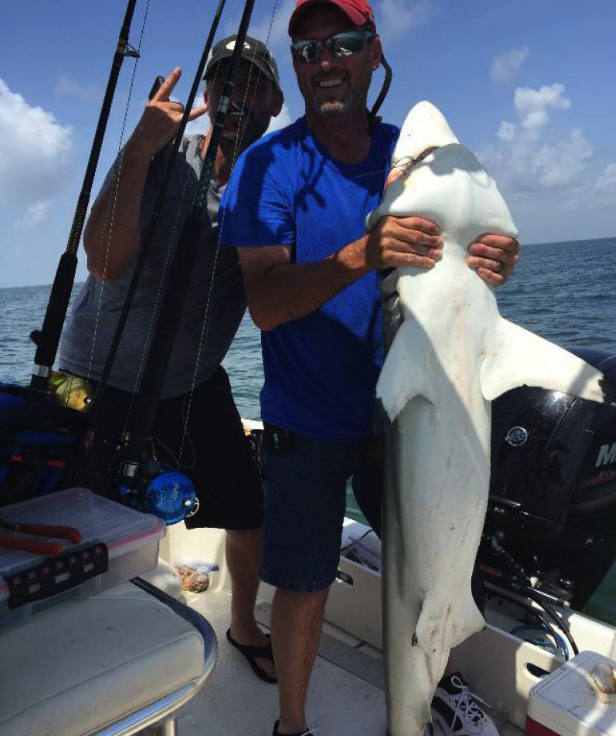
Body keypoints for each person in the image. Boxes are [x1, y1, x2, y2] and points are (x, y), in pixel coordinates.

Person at [219, 1, 520, 734]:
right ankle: (293, 723)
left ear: (375, 52)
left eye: (343, 42)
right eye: (308, 49)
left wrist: (497, 259)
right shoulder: (267, 167)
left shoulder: (411, 157)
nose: (325, 60)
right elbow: (264, 304)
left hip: (409, 414)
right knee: (302, 583)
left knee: (435, 566)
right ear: (297, 66)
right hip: (307, 416)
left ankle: (436, 690)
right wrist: (363, 251)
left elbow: (468, 254)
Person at [59, 35, 284, 683]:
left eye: (248, 84)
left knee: (247, 508)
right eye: (221, 85)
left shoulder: (277, 183)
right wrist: (135, 150)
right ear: (205, 98)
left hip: (189, 382)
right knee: (75, 514)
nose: (231, 97)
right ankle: (76, 642)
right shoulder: (158, 156)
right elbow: (102, 260)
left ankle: (242, 623)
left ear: (273, 98)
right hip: (91, 372)